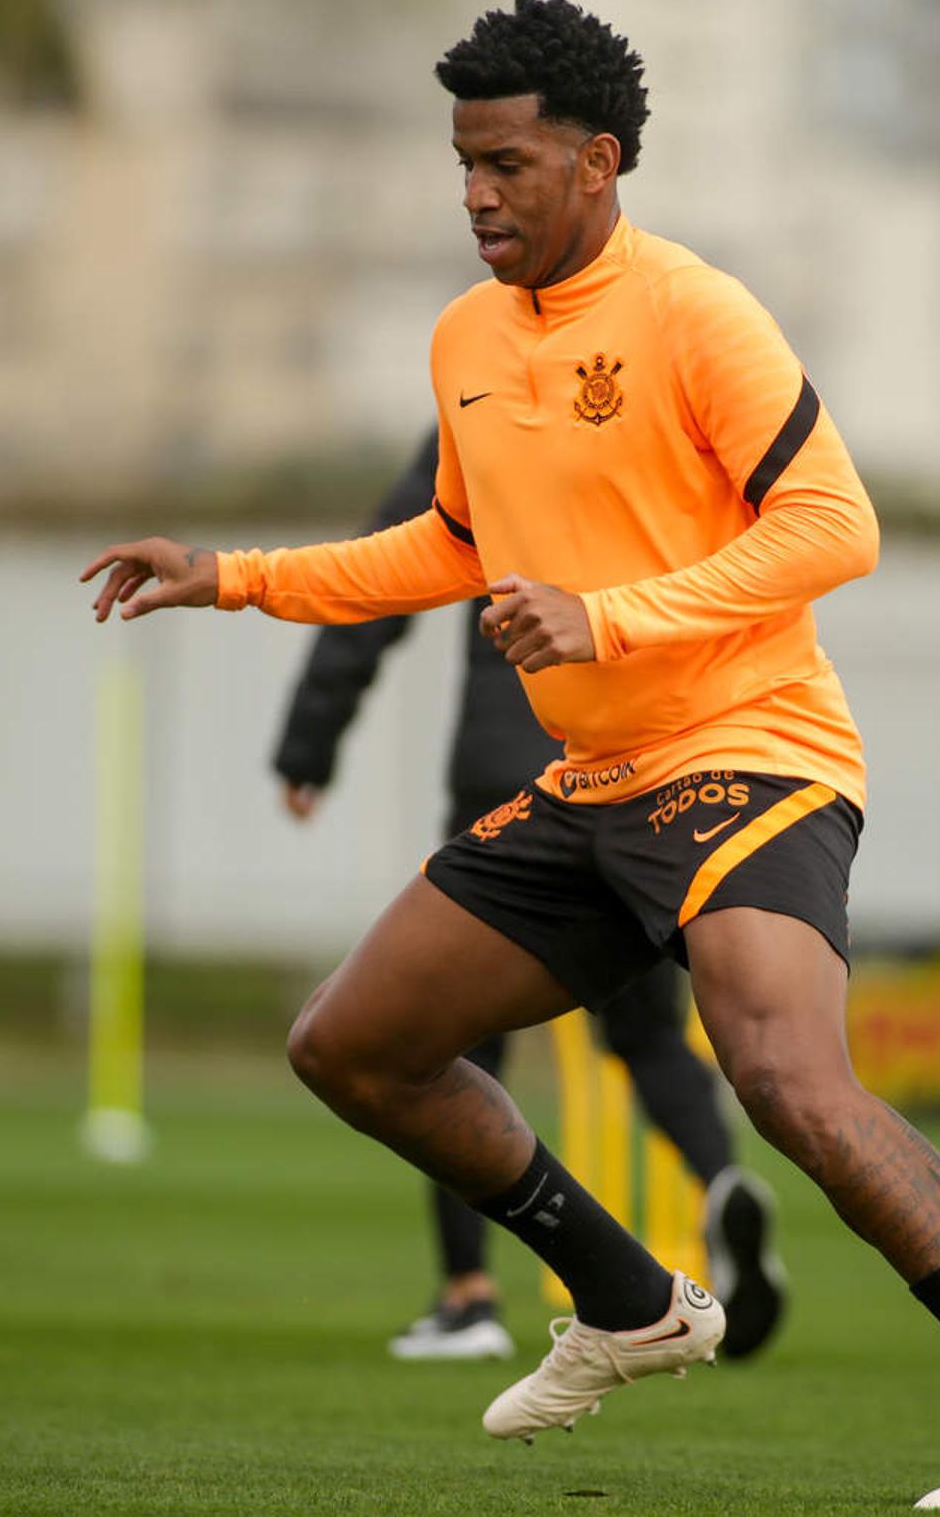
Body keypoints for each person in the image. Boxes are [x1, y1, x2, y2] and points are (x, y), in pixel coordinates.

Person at [82, 0, 940, 1511]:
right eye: (462, 164)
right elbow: (443, 545)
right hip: (593, 786)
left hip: (753, 753)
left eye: (507, 163)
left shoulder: (696, 311)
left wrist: (611, 619)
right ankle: (633, 1299)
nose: (477, 195)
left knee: (787, 1079)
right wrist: (231, 574)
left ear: (599, 159)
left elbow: (840, 526)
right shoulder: (464, 338)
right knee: (351, 1046)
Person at [271, 426, 785, 1364]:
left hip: (509, 769)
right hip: (644, 775)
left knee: (445, 1043)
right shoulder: (664, 421)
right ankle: (719, 1186)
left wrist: (310, 746)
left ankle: (469, 1294)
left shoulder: (482, 416)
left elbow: (373, 586)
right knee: (646, 1034)